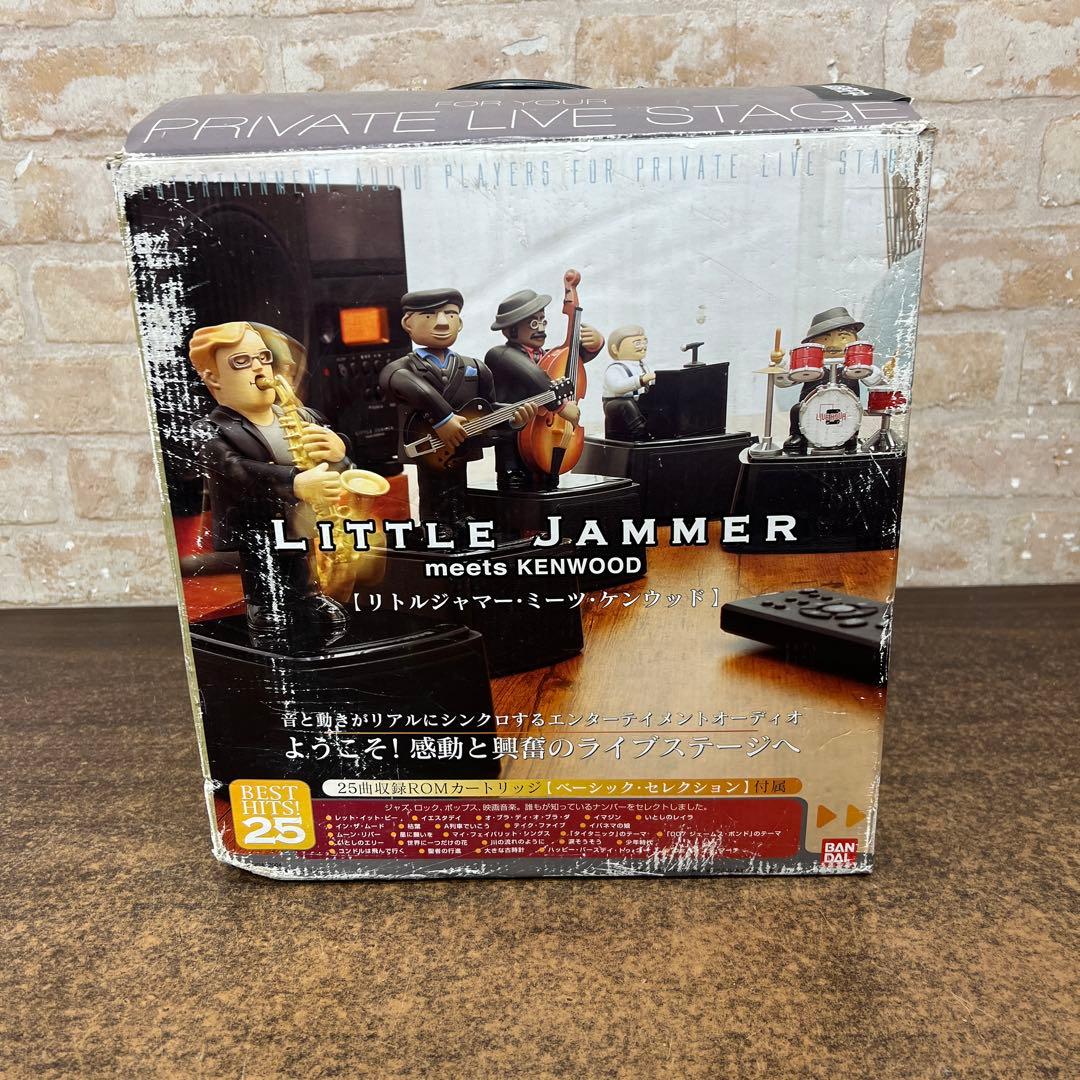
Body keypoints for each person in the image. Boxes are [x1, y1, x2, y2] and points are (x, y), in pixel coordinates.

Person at [189, 320, 351, 636]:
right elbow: (235, 469)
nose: (260, 368)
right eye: (241, 362)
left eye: (263, 357)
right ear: (213, 377)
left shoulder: (302, 416)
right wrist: (295, 482)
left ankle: (309, 596)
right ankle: (265, 603)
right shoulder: (209, 430)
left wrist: (338, 452)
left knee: (301, 557)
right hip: (254, 519)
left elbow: (337, 463)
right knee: (264, 560)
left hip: (299, 515)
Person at [379, 288, 538, 527]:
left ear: (460, 323)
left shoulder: (476, 367)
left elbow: (487, 408)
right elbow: (407, 385)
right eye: (429, 315)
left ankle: (459, 519)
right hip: (427, 445)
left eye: (450, 314)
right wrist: (444, 420)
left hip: (461, 446)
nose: (442, 323)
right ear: (408, 323)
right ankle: (436, 524)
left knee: (459, 484)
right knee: (432, 486)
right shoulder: (402, 368)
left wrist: (512, 419)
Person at [485, 288, 603, 490]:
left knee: (549, 486)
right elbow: (535, 377)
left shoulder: (547, 356)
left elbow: (570, 361)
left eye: (542, 321)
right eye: (533, 323)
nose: (540, 328)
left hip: (544, 437)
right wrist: (561, 406)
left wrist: (594, 344)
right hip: (514, 443)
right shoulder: (500, 355)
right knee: (515, 491)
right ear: (510, 330)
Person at [777, 306, 886, 454]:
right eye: (826, 339)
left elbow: (874, 381)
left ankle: (850, 436)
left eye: (843, 337)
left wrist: (874, 371)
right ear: (812, 343)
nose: (834, 344)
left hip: (847, 411)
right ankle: (798, 436)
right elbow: (784, 381)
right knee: (797, 409)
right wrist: (780, 364)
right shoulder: (812, 368)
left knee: (853, 414)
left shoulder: (854, 368)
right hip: (811, 411)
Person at [602, 325, 655, 441]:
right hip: (615, 404)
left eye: (644, 342)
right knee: (626, 404)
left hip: (638, 400)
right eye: (637, 343)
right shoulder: (615, 368)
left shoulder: (643, 366)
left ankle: (657, 428)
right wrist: (641, 379)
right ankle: (640, 432)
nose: (643, 346)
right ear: (615, 349)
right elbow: (616, 387)